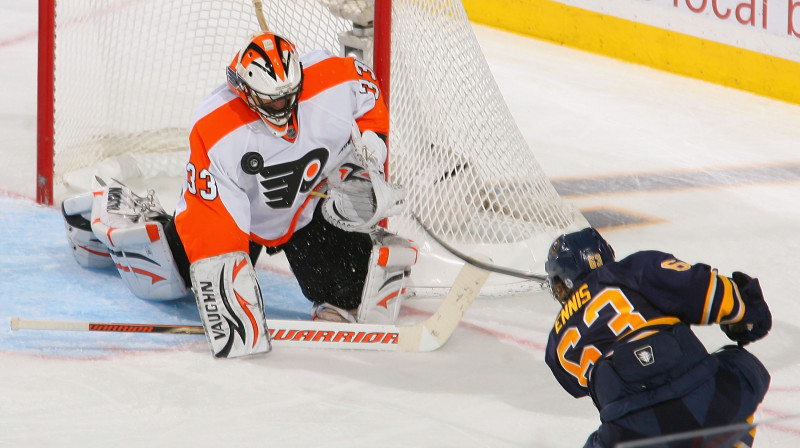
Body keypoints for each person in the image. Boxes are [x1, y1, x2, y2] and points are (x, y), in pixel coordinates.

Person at [61, 32, 417, 359]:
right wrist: (227, 282)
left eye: (290, 96)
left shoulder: (332, 79)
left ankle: (346, 285)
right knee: (165, 279)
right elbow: (210, 213)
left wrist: (372, 147)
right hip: (240, 217)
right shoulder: (217, 126)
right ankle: (113, 218)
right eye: (273, 102)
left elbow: (367, 90)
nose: (285, 107)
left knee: (352, 290)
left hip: (303, 207)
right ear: (246, 92)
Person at [543, 228, 771, 448]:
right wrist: (748, 309)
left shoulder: (555, 344)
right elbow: (702, 289)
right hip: (704, 402)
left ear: (564, 280)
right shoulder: (631, 270)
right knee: (743, 366)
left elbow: (584, 388)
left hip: (631, 434)